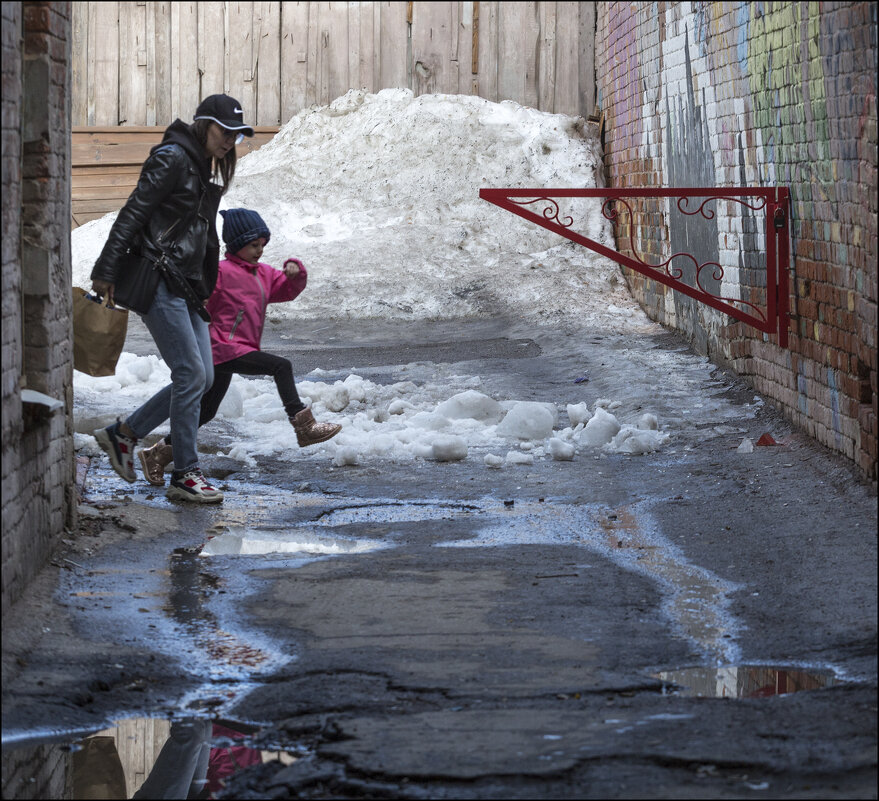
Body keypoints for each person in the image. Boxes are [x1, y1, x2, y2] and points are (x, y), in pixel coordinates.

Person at [91, 94, 254, 503]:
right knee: (190, 375)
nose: (230, 141)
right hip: (159, 278)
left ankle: (123, 435)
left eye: (236, 134)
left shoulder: (199, 168)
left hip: (186, 286)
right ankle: (185, 473)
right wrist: (106, 270)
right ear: (203, 125)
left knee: (205, 377)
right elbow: (134, 211)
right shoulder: (173, 158)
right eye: (224, 131)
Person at [137, 208, 342, 486]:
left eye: (262, 245)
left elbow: (287, 290)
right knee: (281, 366)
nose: (259, 250)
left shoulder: (264, 274)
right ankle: (304, 426)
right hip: (221, 346)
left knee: (207, 410)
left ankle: (158, 454)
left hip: (238, 348)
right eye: (253, 245)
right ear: (236, 245)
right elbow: (200, 299)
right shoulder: (221, 272)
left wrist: (294, 271)